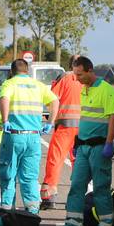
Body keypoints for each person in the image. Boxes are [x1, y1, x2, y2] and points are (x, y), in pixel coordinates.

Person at [51, 56, 114, 226]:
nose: (77, 78)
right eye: (75, 75)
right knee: (76, 186)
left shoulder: (107, 91)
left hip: (99, 147)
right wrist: (77, 141)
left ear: (90, 70)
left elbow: (113, 117)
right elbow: (85, 118)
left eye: (80, 74)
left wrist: (109, 142)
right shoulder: (84, 89)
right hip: (83, 146)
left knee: (101, 188)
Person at [0, 58, 58, 215]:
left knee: (8, 174)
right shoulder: (38, 85)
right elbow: (55, 101)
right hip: (33, 137)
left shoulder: (10, 84)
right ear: (27, 70)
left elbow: (4, 99)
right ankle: (32, 213)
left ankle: (7, 211)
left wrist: (5, 120)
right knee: (29, 177)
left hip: (14, 135)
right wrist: (50, 123)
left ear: (11, 71)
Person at [41, 54, 83, 209]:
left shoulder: (64, 78)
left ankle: (49, 197)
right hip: (83, 129)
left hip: (65, 127)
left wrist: (50, 121)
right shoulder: (88, 81)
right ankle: (78, 199)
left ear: (70, 64)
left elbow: (52, 100)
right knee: (79, 163)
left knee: (55, 159)